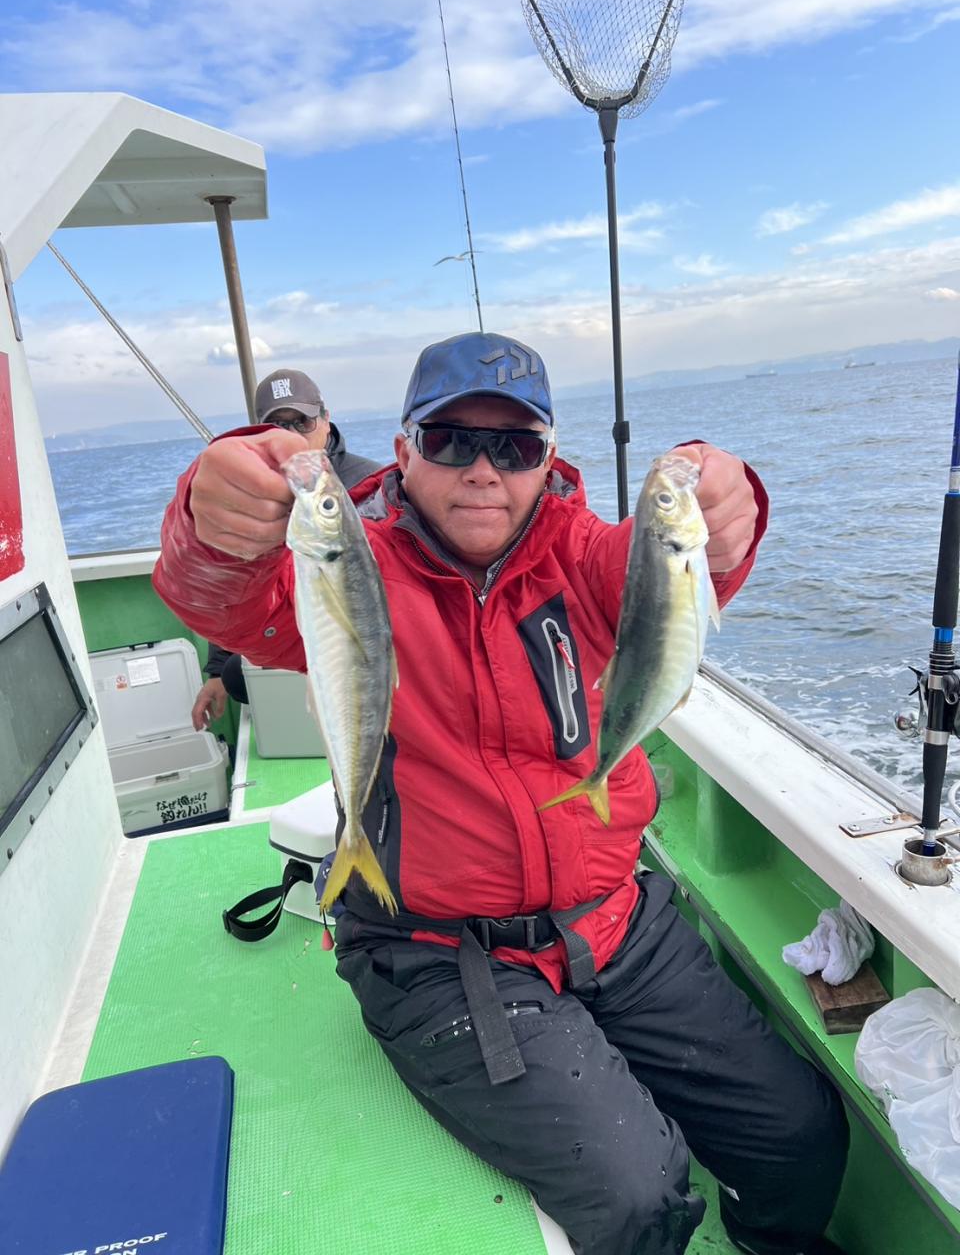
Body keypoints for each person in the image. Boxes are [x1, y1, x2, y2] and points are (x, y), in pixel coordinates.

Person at [155, 331, 848, 1255]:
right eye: (451, 441)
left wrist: (727, 503)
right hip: (438, 955)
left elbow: (681, 569)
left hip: (616, 922)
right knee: (639, 1196)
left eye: (514, 446)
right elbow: (223, 597)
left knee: (801, 1135)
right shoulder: (350, 565)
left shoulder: (588, 557)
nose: (484, 469)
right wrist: (214, 520)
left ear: (548, 459)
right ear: (403, 450)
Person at [190, 367, 382, 732]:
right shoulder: (252, 495)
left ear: (325, 419)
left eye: (303, 422)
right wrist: (215, 671)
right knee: (235, 676)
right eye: (278, 425)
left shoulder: (369, 481)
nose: (293, 436)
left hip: (352, 642)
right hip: (285, 638)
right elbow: (237, 581)